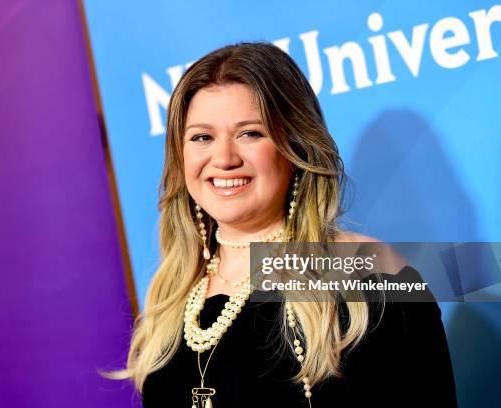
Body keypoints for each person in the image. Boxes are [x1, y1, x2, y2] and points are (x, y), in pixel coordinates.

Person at [109, 42, 457, 407]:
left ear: (295, 145)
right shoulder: (171, 297)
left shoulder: (365, 271)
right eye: (202, 137)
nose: (224, 158)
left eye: (250, 133)